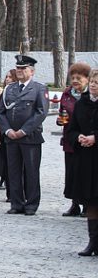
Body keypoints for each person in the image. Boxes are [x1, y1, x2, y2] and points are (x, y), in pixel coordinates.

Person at [0, 54, 49, 216]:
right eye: (18, 68)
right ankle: (16, 203)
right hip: (11, 137)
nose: (19, 71)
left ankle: (31, 204)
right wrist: (8, 130)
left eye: (23, 68)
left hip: (30, 138)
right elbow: (1, 112)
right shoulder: (9, 89)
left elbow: (41, 112)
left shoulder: (39, 88)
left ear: (31, 71)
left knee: (31, 172)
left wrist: (23, 131)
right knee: (13, 171)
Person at [65, 69, 98, 256]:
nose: (93, 85)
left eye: (97, 83)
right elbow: (71, 129)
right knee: (91, 202)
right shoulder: (82, 103)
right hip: (86, 159)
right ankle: (93, 242)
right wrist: (79, 138)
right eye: (92, 81)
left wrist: (95, 138)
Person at [58, 62, 91, 217]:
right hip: (70, 139)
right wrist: (60, 120)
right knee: (71, 173)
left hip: (85, 141)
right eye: (73, 77)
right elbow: (62, 112)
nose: (75, 80)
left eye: (79, 77)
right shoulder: (67, 94)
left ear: (87, 79)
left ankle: (87, 205)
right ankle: (74, 204)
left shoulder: (89, 96)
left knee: (84, 173)